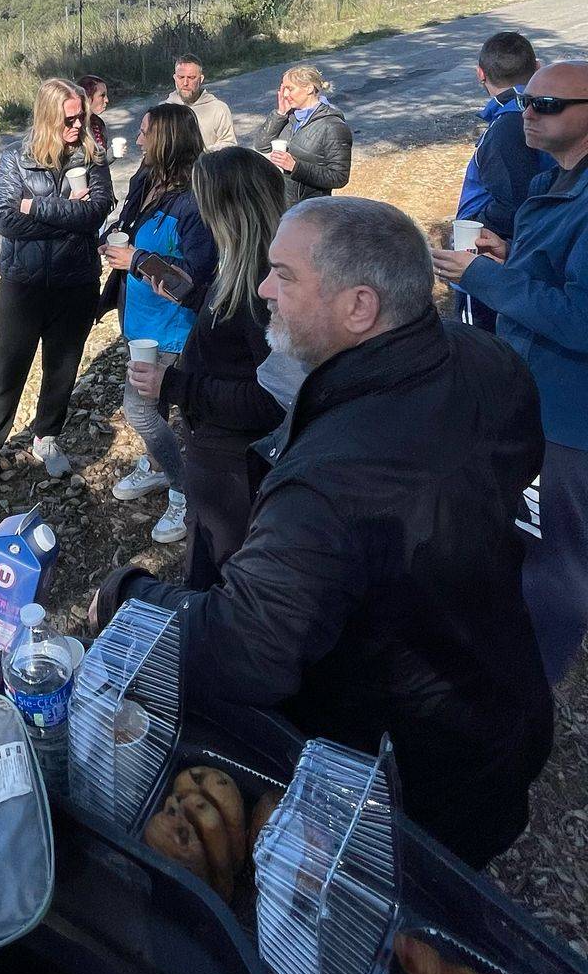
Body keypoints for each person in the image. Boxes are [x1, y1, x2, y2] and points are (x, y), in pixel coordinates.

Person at [93, 197, 551, 867]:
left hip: (408, 782)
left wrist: (127, 594)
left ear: (359, 307)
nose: (262, 290)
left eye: (284, 275)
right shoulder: (488, 360)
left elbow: (245, 650)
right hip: (499, 700)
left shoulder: (330, 483)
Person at [432, 61, 588, 684]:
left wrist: (486, 278)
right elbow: (556, 277)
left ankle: (530, 684)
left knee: (554, 559)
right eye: (527, 98)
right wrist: (509, 255)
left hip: (566, 418)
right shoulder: (561, 180)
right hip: (539, 399)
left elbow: (581, 317)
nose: (529, 110)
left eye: (548, 103)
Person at [125, 147, 286, 570]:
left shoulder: (262, 287)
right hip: (216, 451)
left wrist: (173, 385)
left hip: (237, 464)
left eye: (204, 200)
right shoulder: (239, 265)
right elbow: (229, 329)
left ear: (229, 209)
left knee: (219, 571)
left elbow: (270, 400)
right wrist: (192, 294)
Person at [0, 79, 113, 499]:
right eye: (70, 119)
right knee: (6, 370)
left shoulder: (92, 157)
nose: (78, 125)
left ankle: (46, 435)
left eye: (82, 117)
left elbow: (98, 212)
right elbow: (5, 221)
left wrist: (36, 208)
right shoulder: (15, 160)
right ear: (49, 118)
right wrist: (71, 213)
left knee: (62, 369)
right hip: (23, 286)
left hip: (76, 283)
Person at [103, 106, 214, 545]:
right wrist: (112, 240)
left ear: (166, 140)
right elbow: (128, 227)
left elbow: (199, 278)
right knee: (156, 404)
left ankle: (185, 491)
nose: (138, 138)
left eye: (146, 131)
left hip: (175, 328)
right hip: (141, 318)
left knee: (140, 409)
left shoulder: (195, 201)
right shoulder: (145, 180)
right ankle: (154, 465)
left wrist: (137, 260)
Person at [453, 32, 549, 329]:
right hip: (523, 256)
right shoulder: (541, 112)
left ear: (480, 73)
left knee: (480, 350)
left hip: (491, 258)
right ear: (537, 66)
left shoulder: (509, 123)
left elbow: (515, 202)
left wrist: (474, 224)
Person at [255, 63, 353, 203]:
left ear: (309, 88)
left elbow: (339, 177)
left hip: (311, 209)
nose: (285, 94)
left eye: (290, 89)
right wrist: (280, 114)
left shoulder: (333, 126)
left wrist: (295, 167)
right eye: (283, 89)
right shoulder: (288, 116)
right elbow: (261, 145)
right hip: (281, 203)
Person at [165, 54, 237, 152]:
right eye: (181, 77)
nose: (185, 83)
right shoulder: (164, 110)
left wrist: (204, 155)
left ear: (201, 79)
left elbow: (229, 144)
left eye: (191, 77)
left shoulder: (218, 109)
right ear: (174, 78)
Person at [78, 75, 110, 156]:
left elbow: (99, 162)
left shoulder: (98, 123)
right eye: (102, 95)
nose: (107, 100)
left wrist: (112, 155)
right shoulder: (74, 127)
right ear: (87, 97)